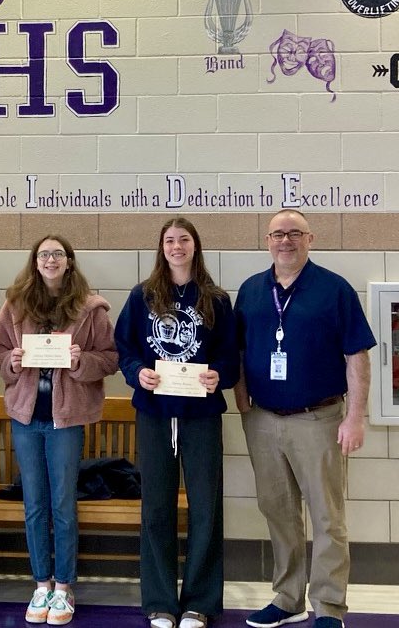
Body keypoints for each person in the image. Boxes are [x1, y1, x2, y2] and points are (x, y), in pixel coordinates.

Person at [234, 209, 376, 628]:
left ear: (310, 239)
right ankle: (288, 597)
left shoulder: (334, 289)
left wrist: (355, 417)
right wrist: (242, 400)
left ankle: (329, 606)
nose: (286, 240)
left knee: (327, 515)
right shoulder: (251, 290)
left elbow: (357, 355)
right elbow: (237, 350)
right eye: (278, 234)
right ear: (267, 241)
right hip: (263, 418)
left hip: (319, 419)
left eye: (295, 233)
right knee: (278, 511)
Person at [114, 217, 239, 628]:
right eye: (169, 240)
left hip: (201, 417)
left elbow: (230, 357)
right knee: (156, 508)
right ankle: (160, 602)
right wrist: (138, 373)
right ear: (161, 248)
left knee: (205, 508)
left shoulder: (216, 299)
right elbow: (125, 348)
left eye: (184, 239)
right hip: (155, 414)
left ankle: (200, 602)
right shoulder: (143, 296)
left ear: (195, 246)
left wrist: (219, 375)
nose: (177, 246)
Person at [0, 235, 118, 626]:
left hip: (66, 418)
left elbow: (111, 359)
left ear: (69, 261)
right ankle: (41, 584)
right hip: (26, 417)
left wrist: (82, 362)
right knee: (34, 504)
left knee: (63, 504)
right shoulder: (15, 304)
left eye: (57, 254)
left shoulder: (90, 308)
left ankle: (63, 586)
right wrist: (11, 362)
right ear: (35, 261)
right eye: (44, 254)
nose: (50, 260)